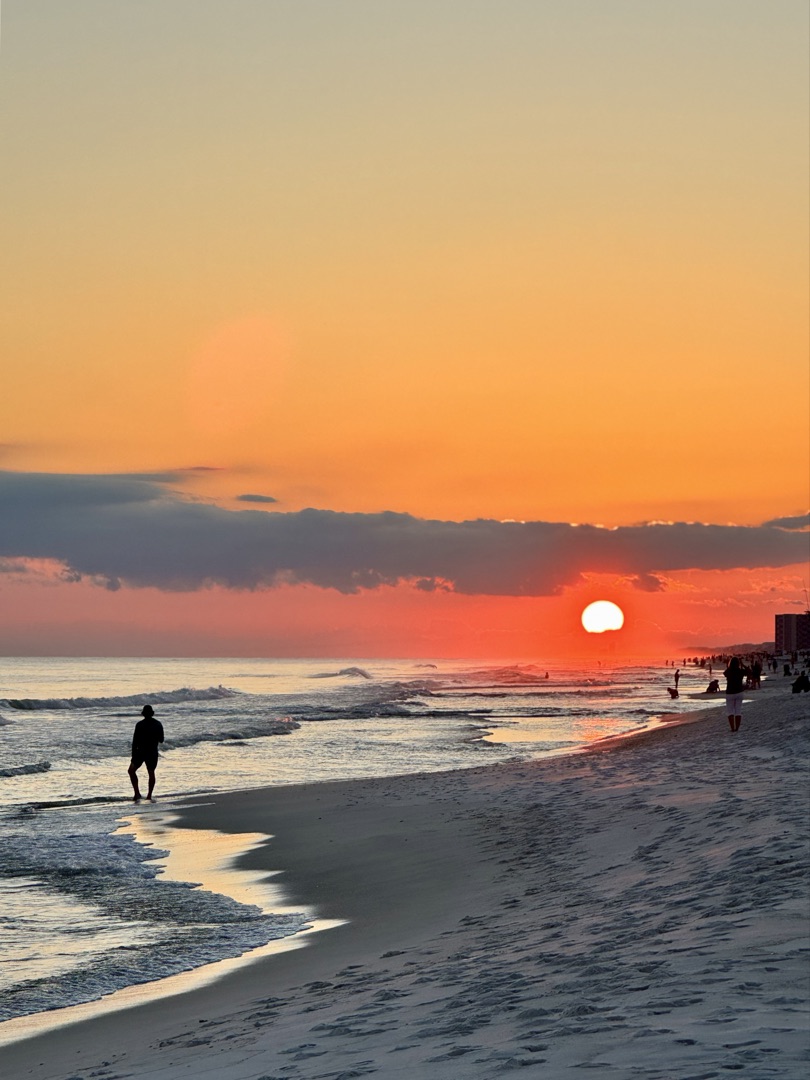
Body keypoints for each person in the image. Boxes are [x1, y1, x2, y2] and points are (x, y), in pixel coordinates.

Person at [128, 704, 164, 801]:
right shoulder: (158, 724)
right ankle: (149, 795)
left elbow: (134, 741)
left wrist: (133, 754)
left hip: (140, 751)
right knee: (151, 773)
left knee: (131, 771)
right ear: (152, 713)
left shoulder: (139, 724)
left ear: (143, 714)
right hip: (152, 751)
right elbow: (161, 740)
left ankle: (137, 793)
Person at [724, 657, 744, 732]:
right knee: (738, 711)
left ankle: (732, 728)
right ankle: (737, 728)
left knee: (730, 711)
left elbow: (725, 673)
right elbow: (749, 672)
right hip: (739, 692)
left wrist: (728, 666)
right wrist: (742, 665)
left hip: (730, 692)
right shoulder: (740, 671)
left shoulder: (729, 671)